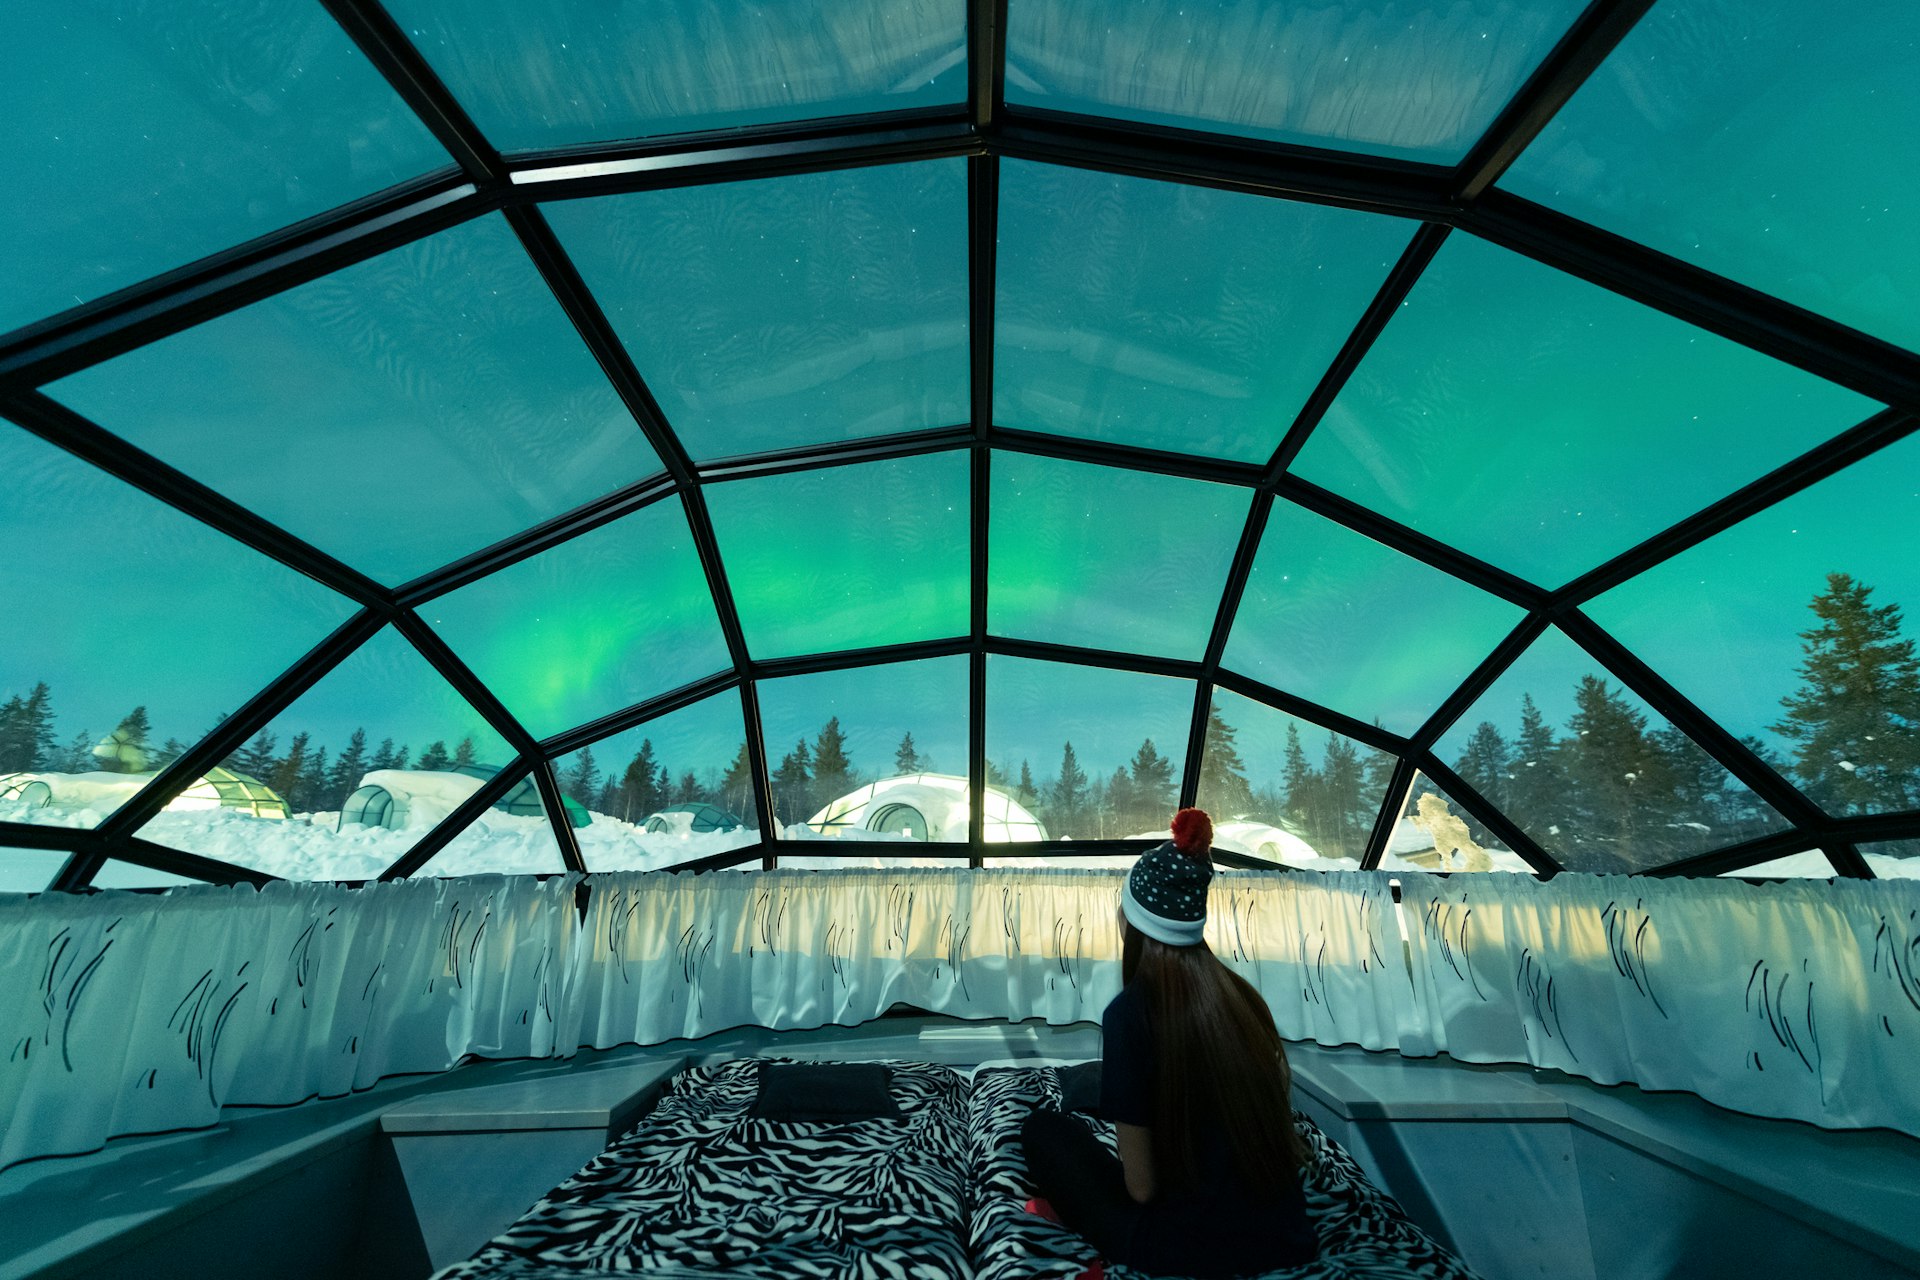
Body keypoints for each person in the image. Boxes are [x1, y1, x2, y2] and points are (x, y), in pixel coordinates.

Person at [1021, 807, 1317, 1278]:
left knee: (1043, 1130)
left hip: (1182, 1250)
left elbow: (1141, 1190)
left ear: (1133, 921)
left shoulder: (1130, 1016)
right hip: (1287, 1240)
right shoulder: (1242, 1001)